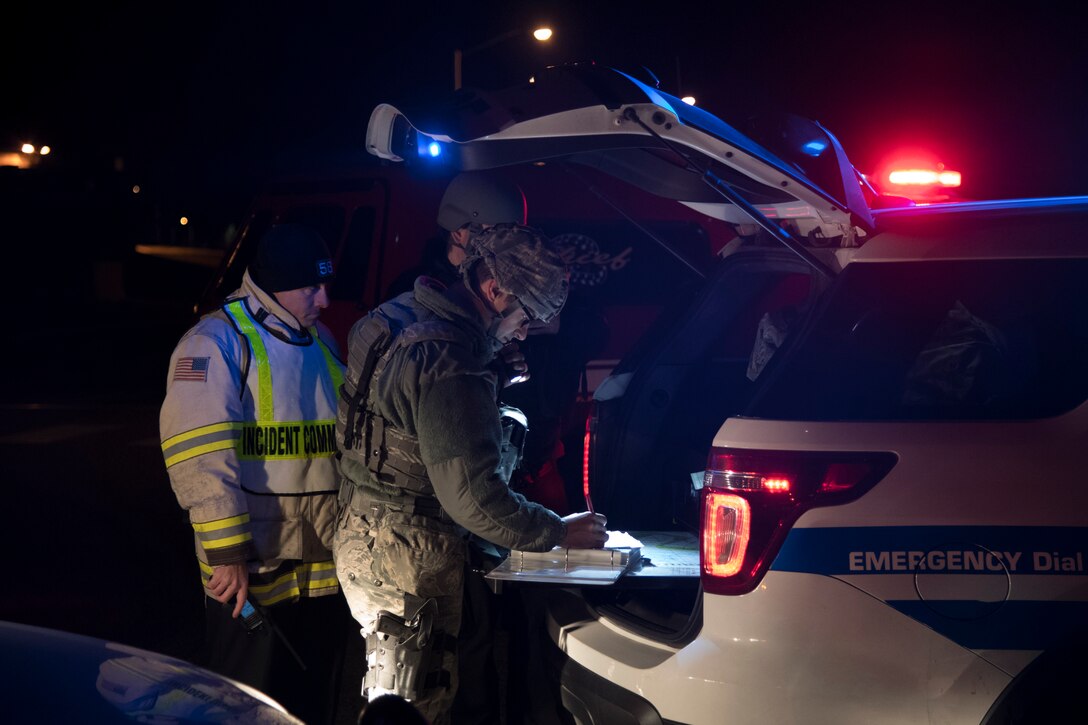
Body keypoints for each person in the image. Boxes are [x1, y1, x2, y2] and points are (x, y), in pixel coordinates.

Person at [334, 223, 608, 724]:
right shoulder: (450, 361)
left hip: (365, 528)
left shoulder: (396, 314)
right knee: (414, 704)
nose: (523, 331)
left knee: (389, 701)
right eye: (525, 316)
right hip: (409, 552)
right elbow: (472, 498)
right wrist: (557, 532)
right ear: (495, 289)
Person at [159, 223, 352, 725]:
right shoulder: (214, 342)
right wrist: (226, 555)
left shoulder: (323, 341)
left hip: (322, 572)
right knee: (244, 709)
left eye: (326, 284)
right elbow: (198, 457)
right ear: (274, 284)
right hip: (250, 576)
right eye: (311, 286)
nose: (324, 299)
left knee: (309, 706)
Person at [383, 171, 527, 299]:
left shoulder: (508, 290)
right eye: (494, 233)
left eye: (512, 235)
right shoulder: (414, 292)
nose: (505, 243)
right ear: (459, 233)